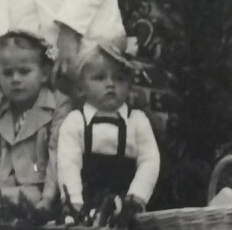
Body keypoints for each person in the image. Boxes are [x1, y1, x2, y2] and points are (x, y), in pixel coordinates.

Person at [56, 40, 160, 220]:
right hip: (85, 205)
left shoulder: (137, 121)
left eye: (119, 78)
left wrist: (137, 197)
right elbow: (68, 163)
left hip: (125, 208)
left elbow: (150, 160)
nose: (110, 84)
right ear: (80, 89)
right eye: (99, 78)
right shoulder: (75, 121)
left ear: (129, 86)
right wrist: (74, 203)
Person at [0, 30, 68, 208]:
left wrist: (48, 197)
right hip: (2, 186)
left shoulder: (56, 105)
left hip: (39, 187)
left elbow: (58, 155)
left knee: (29, 197)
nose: (15, 79)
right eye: (7, 73)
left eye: (24, 72)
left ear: (44, 74)